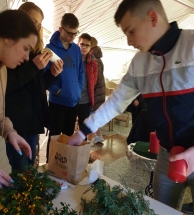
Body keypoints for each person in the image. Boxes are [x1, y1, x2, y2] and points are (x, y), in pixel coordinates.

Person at [68, 0, 194, 212]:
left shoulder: (191, 46)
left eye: (131, 31)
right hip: (166, 154)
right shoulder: (139, 63)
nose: (128, 41)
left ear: (152, 18)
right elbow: (116, 102)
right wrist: (83, 132)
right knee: (160, 209)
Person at [0, 9, 38, 189]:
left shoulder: (1, 68)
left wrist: (9, 131)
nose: (27, 58)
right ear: (7, 36)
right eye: (25, 48)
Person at [5, 2, 63, 171]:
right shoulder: (9, 48)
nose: (35, 27)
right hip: (16, 121)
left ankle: (29, 198)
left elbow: (39, 86)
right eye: (32, 21)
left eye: (38, 24)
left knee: (30, 166)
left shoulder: (35, 52)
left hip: (33, 119)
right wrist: (33, 67)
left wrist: (52, 74)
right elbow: (6, 84)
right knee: (20, 169)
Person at [45, 13, 84, 161]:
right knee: (55, 137)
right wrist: (58, 90)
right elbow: (44, 77)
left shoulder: (76, 49)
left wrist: (78, 90)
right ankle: (50, 167)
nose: (73, 37)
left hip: (74, 101)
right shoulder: (49, 49)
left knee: (68, 137)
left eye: (75, 33)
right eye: (70, 33)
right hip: (58, 102)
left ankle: (65, 167)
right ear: (61, 29)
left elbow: (81, 72)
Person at [77, 33, 98, 140]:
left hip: (85, 100)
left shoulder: (93, 62)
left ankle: (82, 152)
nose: (84, 47)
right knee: (67, 128)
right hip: (72, 99)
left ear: (90, 47)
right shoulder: (73, 58)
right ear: (78, 44)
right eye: (82, 44)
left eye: (87, 45)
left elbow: (94, 81)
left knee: (83, 129)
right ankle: (67, 153)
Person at [89, 37, 106, 144]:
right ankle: (99, 136)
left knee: (91, 117)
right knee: (93, 116)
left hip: (95, 92)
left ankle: (90, 139)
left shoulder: (93, 59)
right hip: (99, 91)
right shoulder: (98, 58)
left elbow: (94, 79)